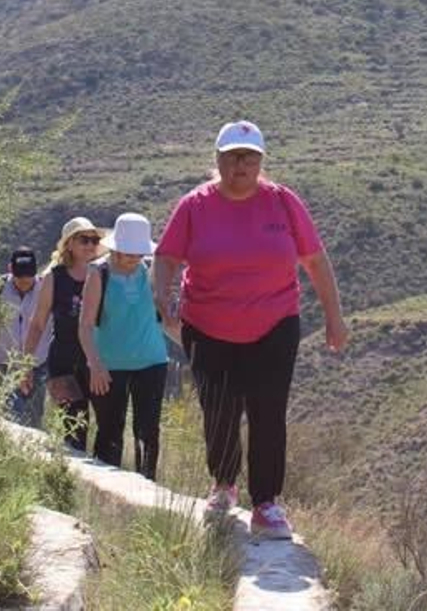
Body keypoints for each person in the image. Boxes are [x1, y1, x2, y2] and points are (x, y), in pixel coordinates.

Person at [154, 120, 349, 541]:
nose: (241, 164)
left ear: (261, 161)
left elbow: (315, 261)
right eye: (233, 156)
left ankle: (267, 504)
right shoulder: (194, 206)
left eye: (249, 157)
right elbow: (167, 257)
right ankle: (223, 487)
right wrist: (163, 296)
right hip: (208, 326)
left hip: (275, 324)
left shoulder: (283, 203)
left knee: (268, 411)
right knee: (219, 410)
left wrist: (334, 317)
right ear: (218, 160)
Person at [79, 212, 170, 480]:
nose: (134, 258)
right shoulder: (99, 274)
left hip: (152, 361)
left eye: (138, 253)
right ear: (116, 249)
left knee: (148, 430)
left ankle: (147, 485)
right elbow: (85, 325)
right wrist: (94, 364)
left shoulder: (151, 270)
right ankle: (107, 485)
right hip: (109, 366)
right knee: (109, 430)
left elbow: (164, 314)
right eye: (129, 253)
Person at [23, 216, 103, 451]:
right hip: (62, 361)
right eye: (83, 240)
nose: (90, 245)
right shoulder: (54, 277)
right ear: (69, 244)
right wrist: (26, 364)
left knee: (107, 421)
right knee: (72, 424)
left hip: (97, 358)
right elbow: (38, 323)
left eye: (94, 240)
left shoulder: (103, 273)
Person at [0, 247, 52, 428]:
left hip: (36, 365)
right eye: (19, 277)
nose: (24, 281)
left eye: (28, 277)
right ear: (10, 269)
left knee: (33, 421)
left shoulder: (46, 289)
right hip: (0, 364)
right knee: (2, 418)